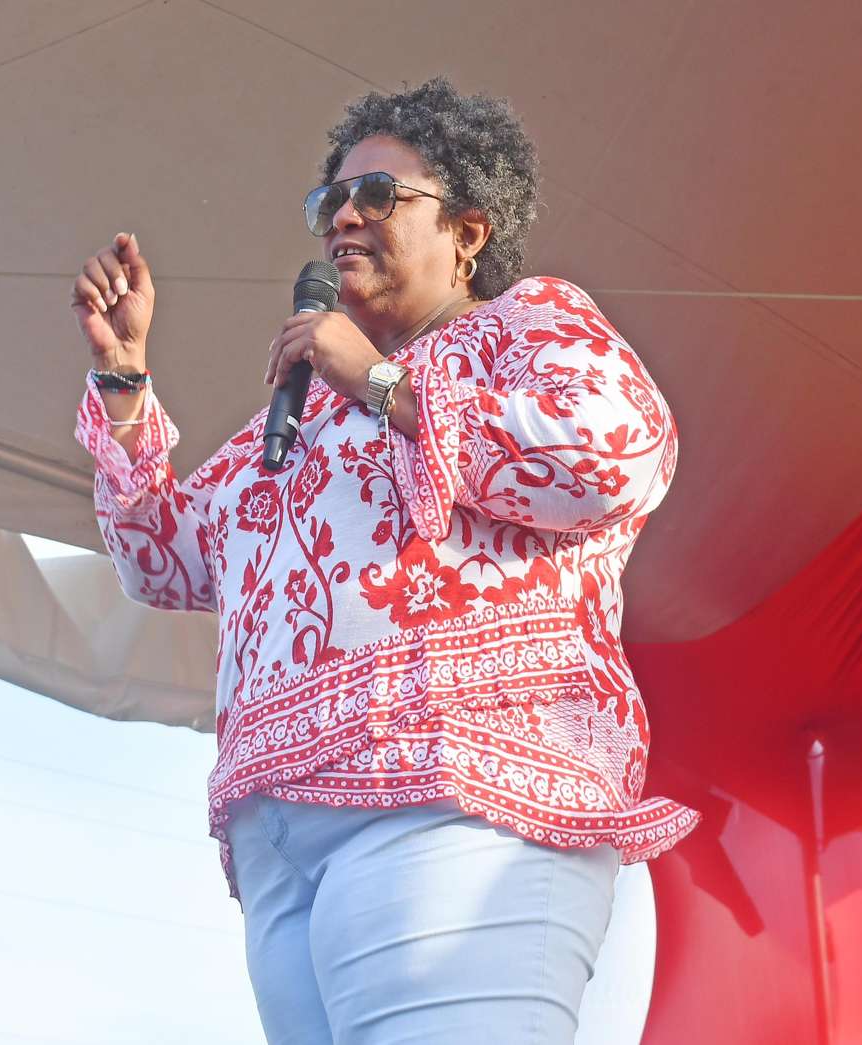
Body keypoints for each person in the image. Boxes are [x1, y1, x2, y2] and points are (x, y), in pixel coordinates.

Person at [69, 78, 698, 1045]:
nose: (343, 218)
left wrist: (378, 380)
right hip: (284, 849)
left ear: (468, 232)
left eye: (376, 195)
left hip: (456, 799)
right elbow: (165, 559)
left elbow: (615, 452)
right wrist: (124, 381)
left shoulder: (523, 324)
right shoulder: (304, 409)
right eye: (330, 201)